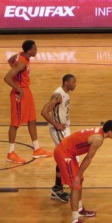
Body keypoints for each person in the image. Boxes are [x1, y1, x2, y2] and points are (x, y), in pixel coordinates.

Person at [54, 121, 112, 223]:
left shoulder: (99, 132)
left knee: (80, 179)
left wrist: (80, 176)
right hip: (64, 153)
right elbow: (88, 158)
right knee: (76, 185)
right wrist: (78, 176)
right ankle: (75, 222)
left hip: (69, 151)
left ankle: (79, 208)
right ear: (109, 132)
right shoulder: (98, 139)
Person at [4, 40, 52, 164]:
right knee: (15, 123)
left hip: (27, 91)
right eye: (35, 48)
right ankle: (10, 153)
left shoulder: (23, 56)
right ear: (29, 51)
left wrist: (15, 58)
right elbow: (7, 78)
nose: (37, 50)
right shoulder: (22, 63)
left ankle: (37, 149)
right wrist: (19, 90)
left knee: (32, 120)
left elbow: (10, 61)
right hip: (20, 94)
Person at [41, 74, 77, 203]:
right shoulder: (58, 95)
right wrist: (56, 124)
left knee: (65, 157)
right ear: (66, 83)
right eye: (73, 82)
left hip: (64, 128)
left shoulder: (65, 93)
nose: (75, 84)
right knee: (69, 156)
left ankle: (57, 188)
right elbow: (44, 111)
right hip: (59, 130)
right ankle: (61, 188)